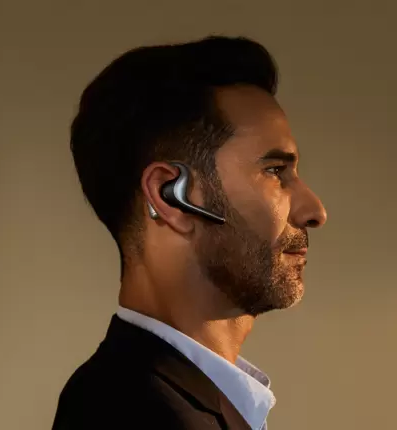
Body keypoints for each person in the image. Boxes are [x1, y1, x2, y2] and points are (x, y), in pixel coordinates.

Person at [52, 35, 327, 430]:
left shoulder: (169, 400)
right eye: (274, 171)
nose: (315, 211)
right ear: (171, 195)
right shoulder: (129, 413)